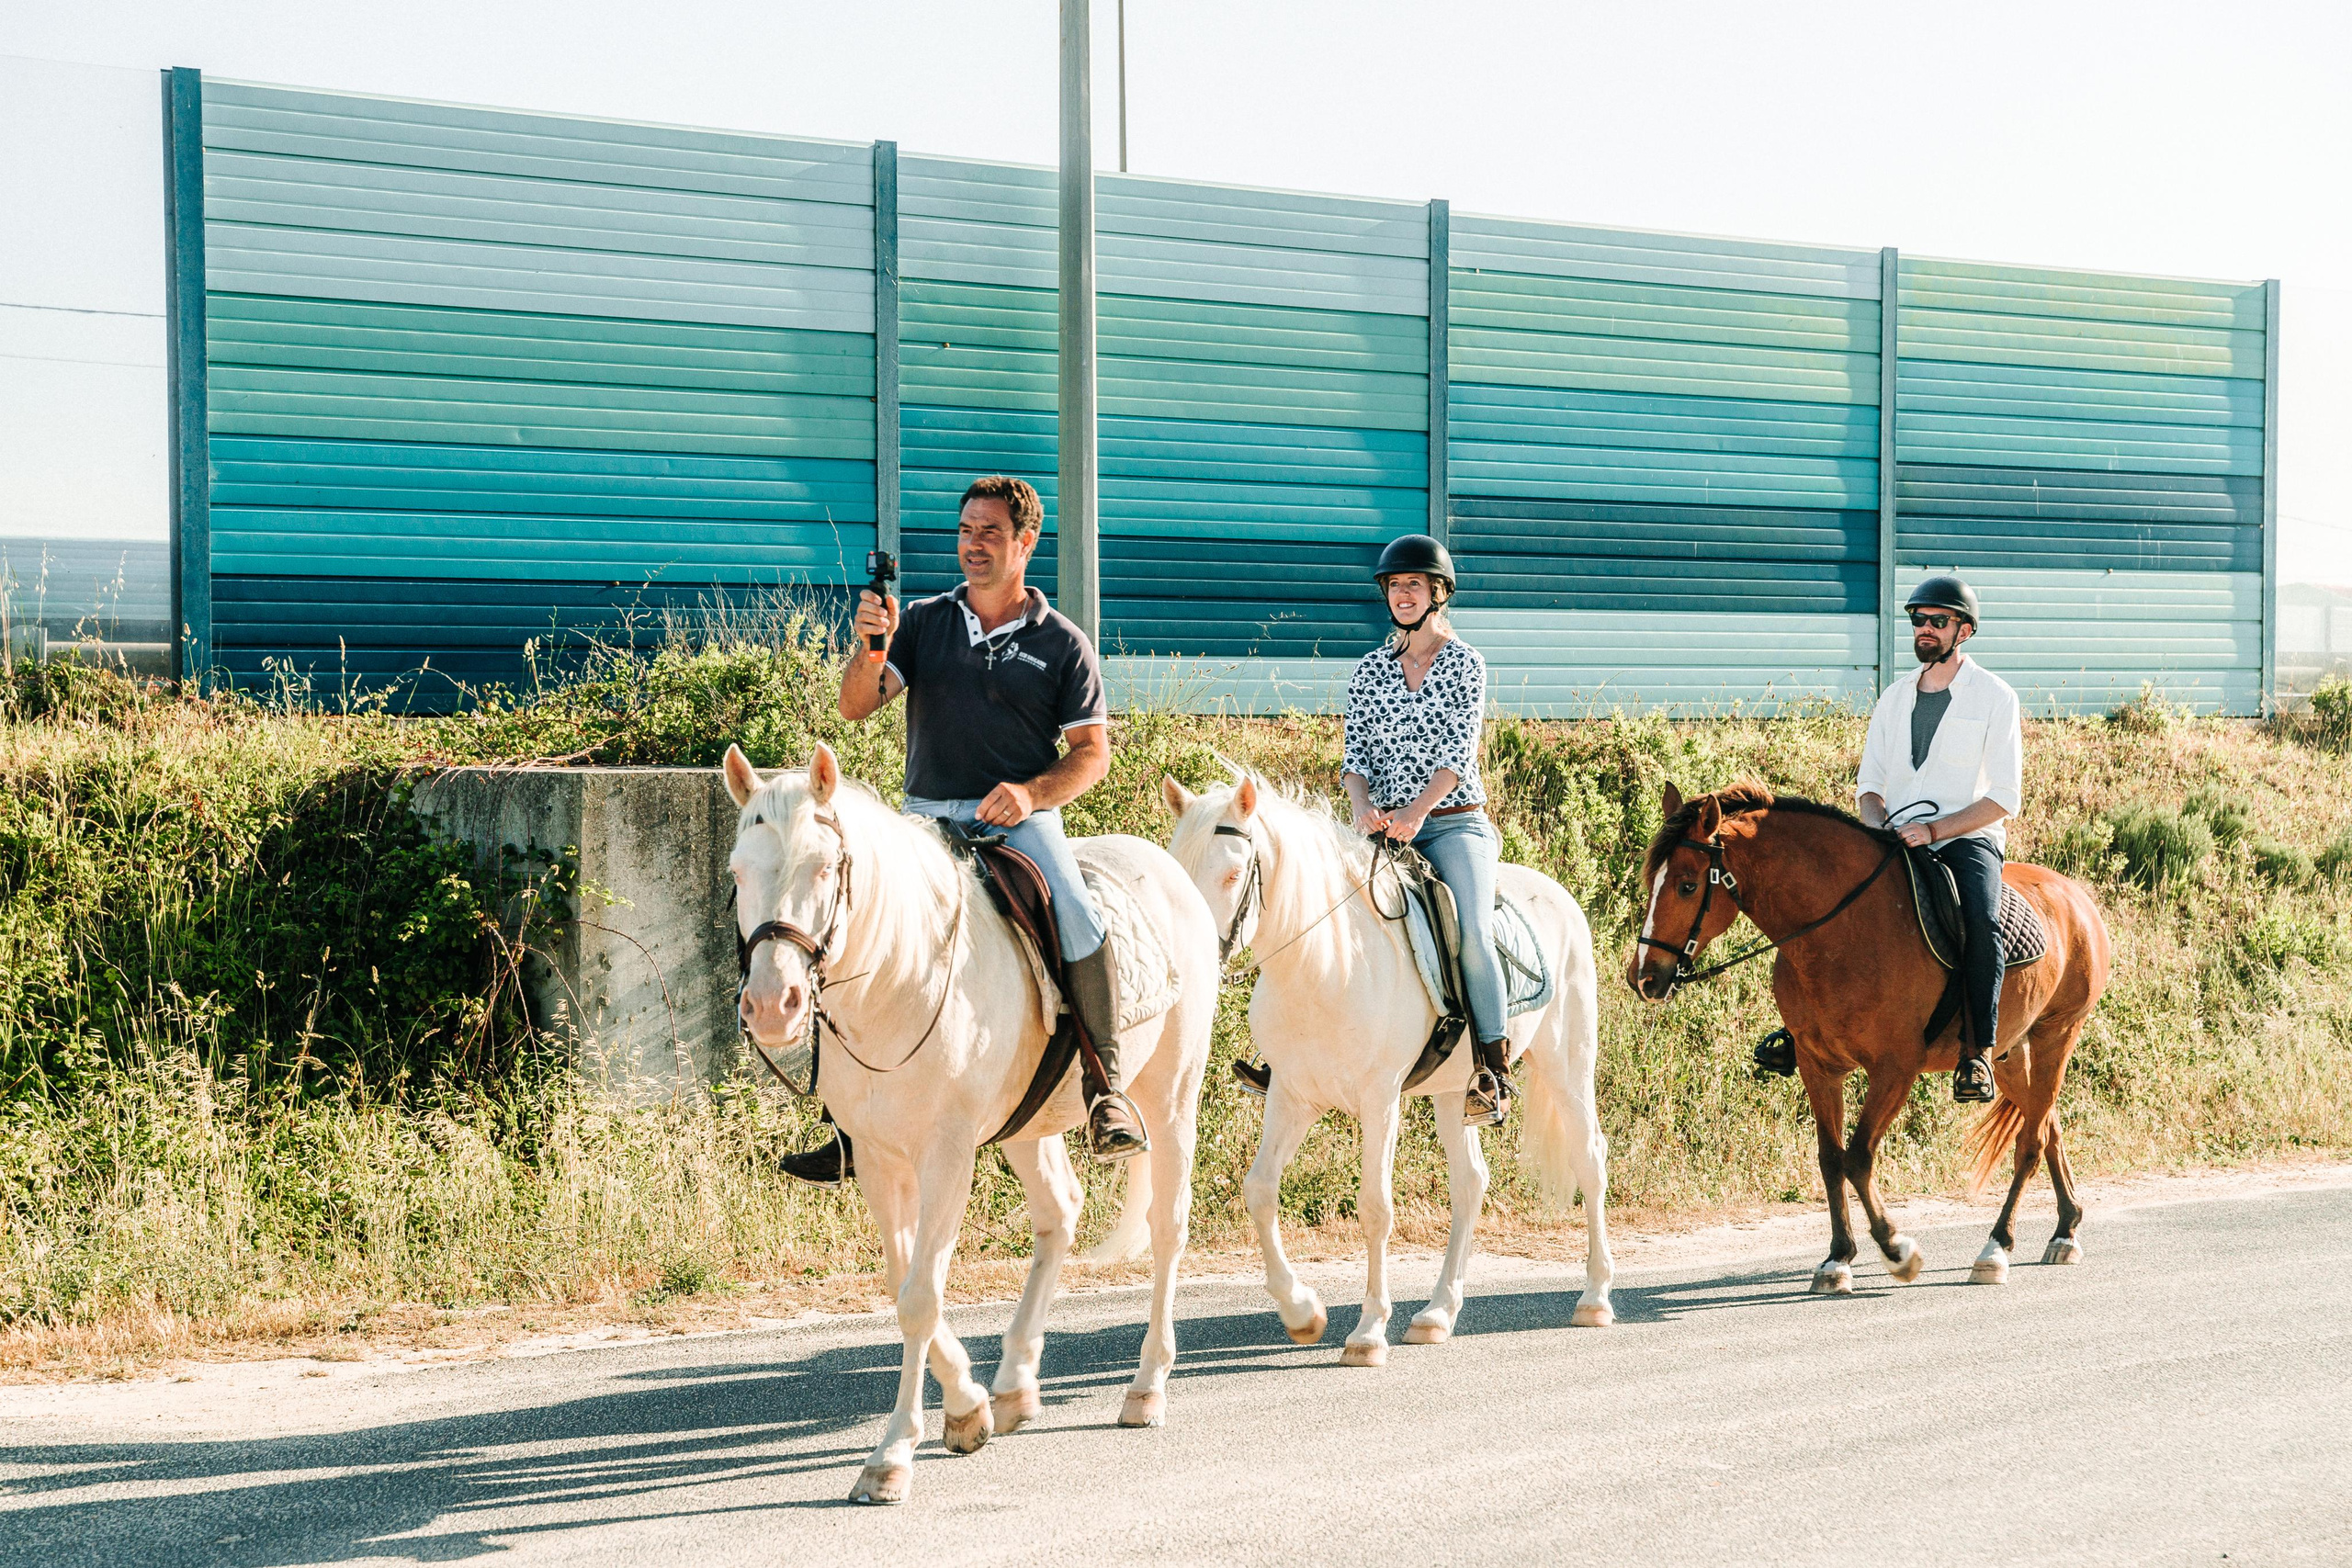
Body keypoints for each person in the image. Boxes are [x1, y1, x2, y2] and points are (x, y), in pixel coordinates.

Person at [776, 475, 1145, 1186]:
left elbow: (1093, 755)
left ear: (1025, 541)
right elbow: (856, 706)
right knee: (852, 927)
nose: (973, 546)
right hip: (927, 816)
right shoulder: (921, 619)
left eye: (991, 533)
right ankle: (846, 1121)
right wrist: (873, 646)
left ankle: (1106, 1090)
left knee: (1078, 915)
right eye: (966, 531)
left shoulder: (1063, 643)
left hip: (1019, 824)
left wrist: (1032, 792)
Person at [1238, 533, 1515, 1125]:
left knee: (1471, 934)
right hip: (1382, 828)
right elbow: (1355, 757)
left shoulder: (1467, 665)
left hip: (1451, 824)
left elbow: (1459, 754)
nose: (1402, 594)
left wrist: (1418, 814)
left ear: (1438, 593)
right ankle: (1283, 1056)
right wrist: (1364, 808)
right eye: (1394, 586)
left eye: (1413, 584)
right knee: (1315, 917)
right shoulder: (1371, 671)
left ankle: (1493, 1068)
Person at [1855, 575, 2024, 1103]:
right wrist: (1874, 826)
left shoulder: (1996, 697)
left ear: (1964, 631)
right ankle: (1804, 1033)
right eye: (1918, 620)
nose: (1924, 629)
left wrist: (1934, 830)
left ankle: (1977, 1054)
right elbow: (1869, 787)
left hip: (1965, 838)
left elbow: (2004, 797)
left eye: (1938, 621)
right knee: (1835, 904)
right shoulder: (1893, 697)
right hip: (1894, 836)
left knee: (1982, 922)